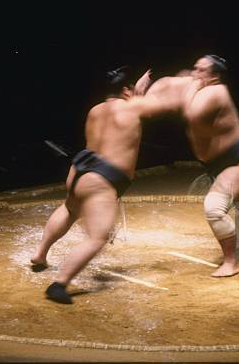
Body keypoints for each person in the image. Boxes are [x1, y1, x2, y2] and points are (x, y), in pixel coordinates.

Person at [30, 67, 167, 304]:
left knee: (70, 209)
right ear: (127, 91)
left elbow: (131, 101)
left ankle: (40, 254)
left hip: (79, 171)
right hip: (101, 179)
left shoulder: (95, 110)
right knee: (98, 237)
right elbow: (155, 103)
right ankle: (60, 284)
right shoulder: (133, 108)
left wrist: (137, 87)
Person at [145, 55, 239, 277]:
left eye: (201, 71)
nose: (195, 74)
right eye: (195, 69)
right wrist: (146, 90)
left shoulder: (216, 92)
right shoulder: (199, 88)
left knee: (214, 208)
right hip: (225, 163)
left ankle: (231, 262)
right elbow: (159, 97)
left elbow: (192, 114)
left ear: (214, 76)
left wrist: (190, 87)